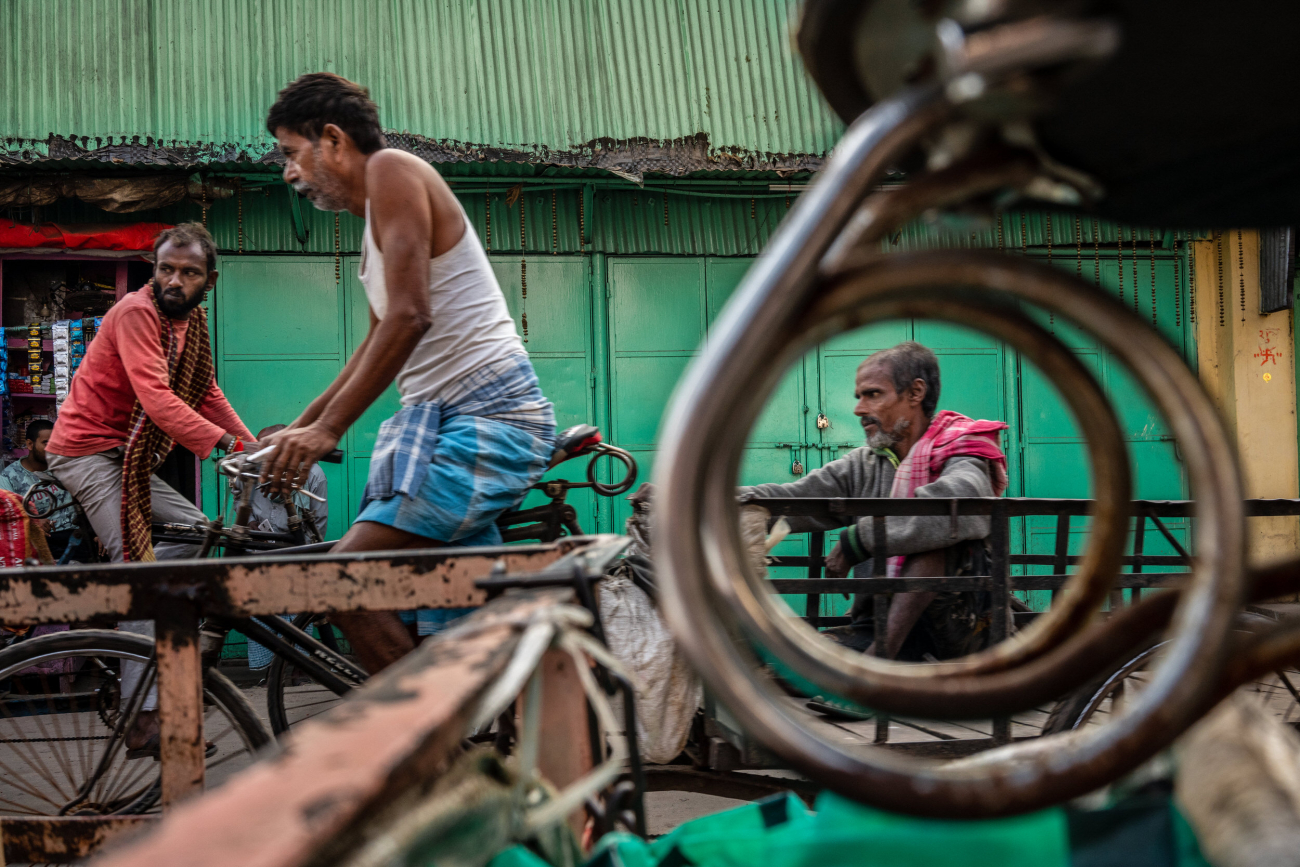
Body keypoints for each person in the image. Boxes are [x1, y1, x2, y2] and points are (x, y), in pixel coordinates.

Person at [259, 73, 555, 673]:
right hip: (451, 427)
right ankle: (462, 713)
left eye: (292, 153)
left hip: (490, 421)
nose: (289, 173)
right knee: (452, 630)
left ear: (333, 140)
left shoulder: (392, 170)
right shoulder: (376, 222)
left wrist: (327, 431)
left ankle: (426, 727)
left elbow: (410, 316)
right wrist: (300, 427)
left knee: (339, 580)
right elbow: (376, 340)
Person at [46, 221, 257, 755]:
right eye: (166, 269)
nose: (174, 281)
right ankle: (142, 718)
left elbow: (205, 392)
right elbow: (158, 399)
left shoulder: (192, 323)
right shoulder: (137, 312)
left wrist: (251, 446)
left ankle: (139, 613)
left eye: (189, 272)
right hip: (85, 452)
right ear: (153, 270)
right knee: (144, 570)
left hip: (126, 457)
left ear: (210, 280)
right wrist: (226, 446)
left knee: (197, 532)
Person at [743, 341, 1008, 661]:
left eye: (873, 394)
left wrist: (859, 540)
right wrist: (723, 502)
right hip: (877, 623)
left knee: (938, 534)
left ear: (915, 393)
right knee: (789, 665)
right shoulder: (863, 465)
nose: (859, 409)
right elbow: (796, 497)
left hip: (965, 628)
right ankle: (879, 657)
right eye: (859, 396)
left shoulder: (963, 451)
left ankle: (878, 661)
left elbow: (959, 499)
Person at [0, 420, 91, 561]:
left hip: (76, 535)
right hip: (40, 539)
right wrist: (33, 520)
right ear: (30, 444)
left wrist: (98, 533)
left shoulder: (65, 467)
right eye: (46, 443)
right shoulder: (8, 477)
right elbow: (7, 516)